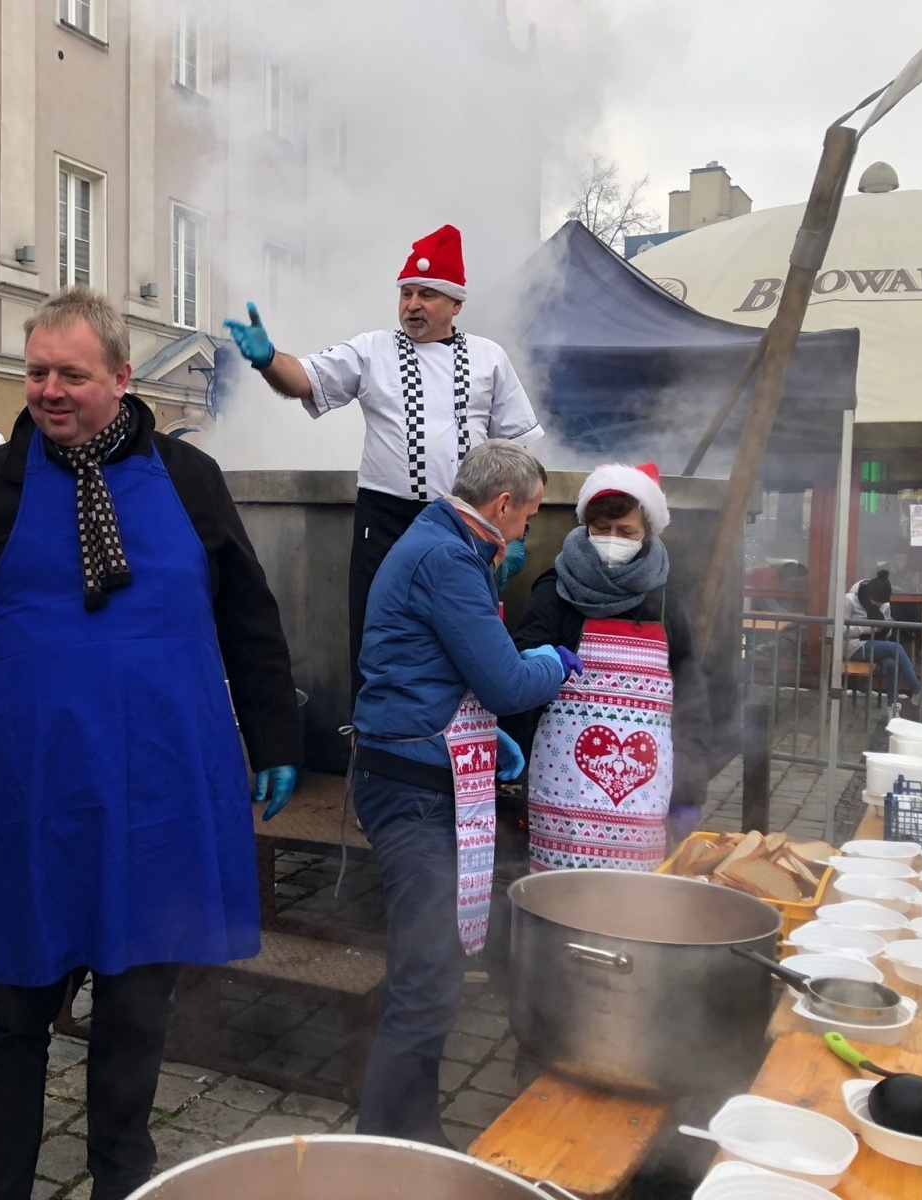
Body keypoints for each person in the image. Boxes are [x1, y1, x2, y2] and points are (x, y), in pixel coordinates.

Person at [0, 287, 301, 1200]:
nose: (49, 390)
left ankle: (125, 1177)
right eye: (37, 372)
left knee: (137, 1009)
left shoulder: (191, 482)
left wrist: (275, 735)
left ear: (120, 377)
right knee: (15, 1007)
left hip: (162, 794)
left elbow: (249, 619)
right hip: (31, 797)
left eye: (72, 373)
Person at [349, 439, 572, 1144]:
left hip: (419, 769)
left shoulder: (442, 542)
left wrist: (476, 735)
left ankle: (414, 1131)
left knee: (433, 971)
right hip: (411, 786)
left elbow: (446, 671)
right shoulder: (448, 558)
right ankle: (384, 1149)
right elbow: (505, 681)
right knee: (425, 976)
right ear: (502, 505)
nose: (525, 533)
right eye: (529, 518)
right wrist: (553, 663)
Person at [224, 224, 543, 698]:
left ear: (456, 304)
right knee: (374, 639)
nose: (412, 303)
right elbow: (305, 379)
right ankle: (369, 752)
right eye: (406, 292)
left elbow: (516, 453)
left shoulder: (489, 357)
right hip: (385, 520)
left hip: (465, 526)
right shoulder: (371, 349)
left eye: (427, 294)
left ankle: (460, 752)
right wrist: (269, 358)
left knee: (467, 642)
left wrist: (516, 533)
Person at [510, 462, 714, 871]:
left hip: (643, 800)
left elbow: (691, 692)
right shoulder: (555, 591)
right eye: (601, 529)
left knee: (631, 905)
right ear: (586, 526)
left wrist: (689, 793)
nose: (611, 540)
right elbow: (518, 677)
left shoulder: (666, 601)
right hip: (562, 801)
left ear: (647, 535)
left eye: (626, 533)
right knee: (559, 899)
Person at [843, 571, 922, 715]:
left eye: (882, 603)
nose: (879, 605)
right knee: (896, 648)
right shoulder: (849, 600)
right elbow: (841, 630)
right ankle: (917, 691)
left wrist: (886, 627)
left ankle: (892, 707)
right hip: (854, 646)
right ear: (869, 595)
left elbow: (887, 632)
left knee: (893, 664)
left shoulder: (884, 605)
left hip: (877, 643)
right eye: (876, 602)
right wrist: (868, 628)